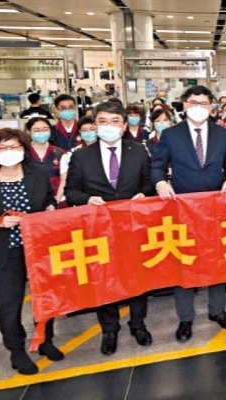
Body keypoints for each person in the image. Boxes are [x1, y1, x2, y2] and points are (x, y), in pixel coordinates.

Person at [0, 128, 62, 375]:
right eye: (3, 148)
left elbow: (49, 199)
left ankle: (45, 339)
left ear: (24, 149)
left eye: (15, 147)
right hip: (6, 251)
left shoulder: (38, 174)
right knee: (9, 305)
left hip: (39, 248)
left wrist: (50, 208)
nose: (9, 152)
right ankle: (16, 350)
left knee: (45, 298)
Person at [65, 102, 155, 354]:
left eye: (115, 121)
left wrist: (144, 194)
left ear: (124, 126)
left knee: (137, 276)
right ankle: (109, 329)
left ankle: (138, 324)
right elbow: (71, 191)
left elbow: (149, 183)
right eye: (103, 121)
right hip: (99, 228)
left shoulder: (139, 151)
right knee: (105, 278)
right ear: (95, 125)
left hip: (133, 226)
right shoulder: (81, 156)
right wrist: (87, 199)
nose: (109, 126)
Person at [151, 85, 226, 342]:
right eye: (193, 103)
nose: (198, 107)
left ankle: (217, 310)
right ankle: (186, 318)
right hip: (183, 209)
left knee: (217, 260)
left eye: (204, 103)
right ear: (184, 105)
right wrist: (160, 182)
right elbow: (157, 166)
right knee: (185, 262)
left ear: (212, 107)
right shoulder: (171, 134)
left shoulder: (222, 134)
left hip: (216, 208)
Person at [25, 118, 65, 202]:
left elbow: (64, 179)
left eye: (45, 129)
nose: (41, 133)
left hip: (58, 198)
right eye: (37, 130)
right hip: (30, 200)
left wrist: (57, 199)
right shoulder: (24, 154)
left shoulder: (59, 152)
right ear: (28, 132)